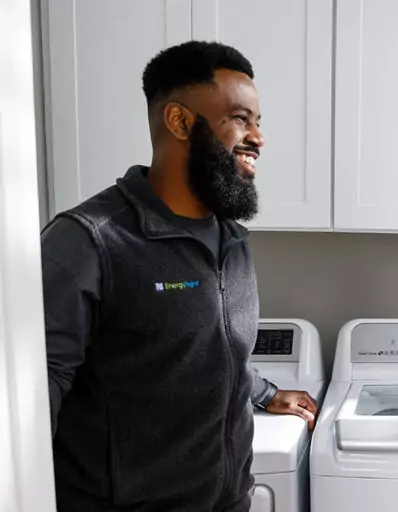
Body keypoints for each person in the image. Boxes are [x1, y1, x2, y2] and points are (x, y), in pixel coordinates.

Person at [41, 41, 319, 512]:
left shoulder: (232, 240)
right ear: (180, 121)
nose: (258, 137)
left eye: (258, 122)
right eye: (239, 118)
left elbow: (198, 353)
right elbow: (30, 398)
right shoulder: (89, 242)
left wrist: (266, 393)